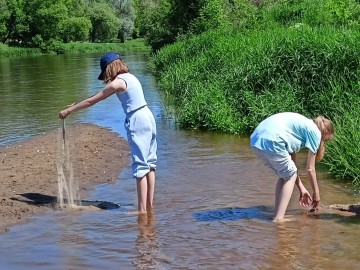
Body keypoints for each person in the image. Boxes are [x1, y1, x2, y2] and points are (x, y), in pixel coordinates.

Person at [59, 52, 157, 214]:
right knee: (150, 164)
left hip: (137, 120)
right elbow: (96, 95)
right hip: (148, 115)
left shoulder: (117, 83)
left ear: (108, 68)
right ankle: (149, 206)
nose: (106, 77)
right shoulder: (131, 77)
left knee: (140, 166)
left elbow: (94, 100)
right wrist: (77, 102)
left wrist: (69, 110)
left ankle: (141, 211)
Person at [250, 112, 334, 222]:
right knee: (288, 175)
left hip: (257, 139)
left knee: (284, 175)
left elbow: (292, 168)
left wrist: (302, 189)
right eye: (325, 140)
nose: (323, 143)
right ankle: (279, 219)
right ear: (325, 133)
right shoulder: (315, 133)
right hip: (273, 140)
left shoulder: (300, 129)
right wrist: (316, 194)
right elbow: (310, 169)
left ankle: (277, 215)